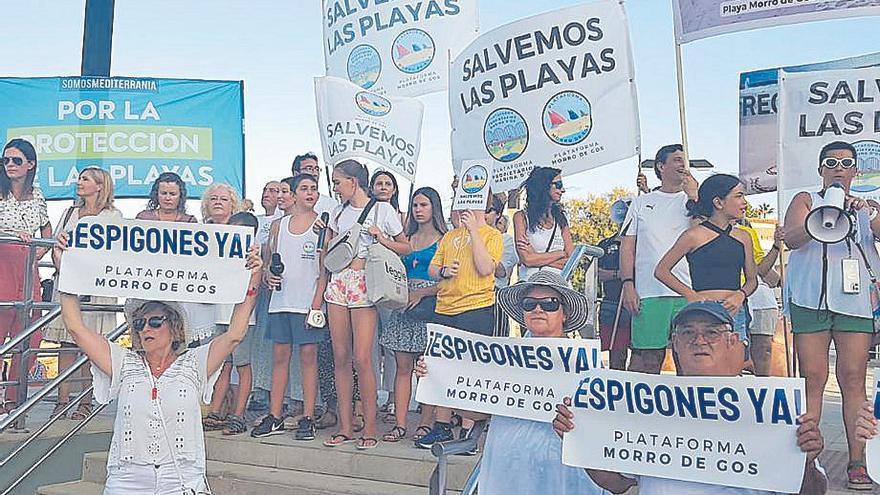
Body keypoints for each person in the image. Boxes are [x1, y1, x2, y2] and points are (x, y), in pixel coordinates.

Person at [553, 300, 828, 495]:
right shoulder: (646, 404)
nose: (699, 340)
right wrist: (580, 440)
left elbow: (813, 491)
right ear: (674, 345)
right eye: (688, 333)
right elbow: (617, 483)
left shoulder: (772, 409)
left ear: (733, 341)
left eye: (712, 333)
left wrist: (804, 463)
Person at [56, 243, 261, 494]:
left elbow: (235, 335)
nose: (146, 329)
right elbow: (76, 328)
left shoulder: (194, 363)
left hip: (181, 478)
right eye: (140, 324)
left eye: (155, 322)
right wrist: (66, 269)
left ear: (174, 327)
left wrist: (252, 278)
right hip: (127, 479)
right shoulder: (123, 363)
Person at [415, 271, 606, 494]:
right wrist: (436, 379)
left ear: (564, 313)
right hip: (508, 467)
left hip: (562, 472)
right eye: (529, 303)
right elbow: (477, 413)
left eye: (550, 304)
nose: (538, 309)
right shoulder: (501, 358)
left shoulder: (587, 364)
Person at [783, 141, 880, 490]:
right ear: (821, 169)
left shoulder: (868, 206)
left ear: (856, 171)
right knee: (812, 378)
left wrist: (865, 212)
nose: (838, 167)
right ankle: (806, 462)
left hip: (855, 303)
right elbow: (791, 239)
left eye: (846, 162)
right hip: (811, 298)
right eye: (831, 162)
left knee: (853, 379)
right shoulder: (806, 200)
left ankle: (858, 462)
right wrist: (821, 220)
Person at [322, 160, 410, 450]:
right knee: (340, 355)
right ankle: (345, 427)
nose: (335, 187)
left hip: (364, 281)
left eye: (338, 181)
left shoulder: (383, 209)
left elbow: (405, 246)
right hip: (338, 281)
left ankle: (369, 427)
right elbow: (328, 252)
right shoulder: (338, 212)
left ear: (353, 182)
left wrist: (381, 238)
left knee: (363, 357)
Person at [418, 196, 503, 449]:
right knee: (441, 368)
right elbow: (433, 268)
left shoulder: (492, 235)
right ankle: (442, 425)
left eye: (471, 206)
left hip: (476, 307)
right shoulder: (449, 236)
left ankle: (469, 429)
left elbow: (486, 267)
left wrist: (474, 231)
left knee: (471, 369)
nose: (463, 211)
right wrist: (444, 271)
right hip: (445, 307)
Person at [252, 175, 329, 441]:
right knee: (280, 358)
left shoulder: (321, 226)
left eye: (314, 188)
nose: (310, 193)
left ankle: (308, 416)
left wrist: (316, 305)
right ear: (293, 194)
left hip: (307, 302)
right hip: (281, 302)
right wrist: (267, 276)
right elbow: (267, 263)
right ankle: (275, 415)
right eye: (304, 188)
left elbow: (323, 272)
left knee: (308, 358)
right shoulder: (278, 226)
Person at [45, 167, 122, 420]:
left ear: (100, 186)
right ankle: (62, 400)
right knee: (66, 346)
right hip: (69, 285)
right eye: (79, 178)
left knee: (91, 347)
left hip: (98, 289)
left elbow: (116, 249)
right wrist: (61, 260)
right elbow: (55, 246)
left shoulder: (113, 215)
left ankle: (85, 402)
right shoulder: (69, 213)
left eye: (85, 179)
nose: (79, 182)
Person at [654, 174, 758, 358]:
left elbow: (752, 280)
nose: (744, 202)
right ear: (718, 202)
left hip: (735, 309)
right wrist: (691, 295)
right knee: (703, 365)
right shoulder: (693, 235)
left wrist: (740, 295)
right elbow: (662, 270)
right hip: (702, 311)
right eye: (739, 196)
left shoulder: (744, 237)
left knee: (734, 365)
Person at [620, 144, 698, 374]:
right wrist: (628, 284)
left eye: (684, 159)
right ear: (661, 167)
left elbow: (701, 237)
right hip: (650, 292)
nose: (682, 164)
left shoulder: (694, 201)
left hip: (687, 291)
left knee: (688, 361)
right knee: (646, 360)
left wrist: (694, 196)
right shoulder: (641, 203)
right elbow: (627, 248)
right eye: (676, 160)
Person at [379, 187, 446, 443]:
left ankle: (427, 422)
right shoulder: (405, 238)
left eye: (424, 205)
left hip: (430, 305)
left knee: (427, 368)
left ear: (434, 208)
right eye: (415, 205)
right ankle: (400, 422)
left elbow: (451, 280)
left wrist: (423, 292)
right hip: (402, 303)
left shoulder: (445, 239)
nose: (418, 210)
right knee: (402, 367)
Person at [0, 138, 51, 415]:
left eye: (16, 160)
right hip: (1, 265)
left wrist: (35, 253)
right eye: (6, 160)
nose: (9, 165)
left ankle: (13, 398)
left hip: (28, 269)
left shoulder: (38, 195)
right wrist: (10, 237)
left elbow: (47, 232)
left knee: (29, 336)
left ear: (30, 164)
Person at [203, 212, 260, 436]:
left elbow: (254, 282)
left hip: (243, 317)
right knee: (221, 364)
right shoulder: (221, 250)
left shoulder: (254, 254)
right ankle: (216, 411)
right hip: (220, 314)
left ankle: (239, 414)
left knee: (242, 365)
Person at [370, 169, 402, 422]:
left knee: (390, 343)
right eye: (378, 183)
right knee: (369, 345)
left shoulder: (396, 214)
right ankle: (370, 398)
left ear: (393, 189)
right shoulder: (361, 210)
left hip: (388, 282)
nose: (382, 187)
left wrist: (382, 239)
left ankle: (393, 397)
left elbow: (405, 246)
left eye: (387, 184)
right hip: (365, 283)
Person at [513, 167, 574, 280]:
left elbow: (571, 262)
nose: (563, 190)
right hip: (532, 284)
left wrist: (537, 257)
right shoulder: (521, 217)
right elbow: (527, 259)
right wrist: (559, 254)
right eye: (558, 184)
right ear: (544, 185)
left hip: (559, 285)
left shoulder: (561, 218)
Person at [739, 222, 783, 377]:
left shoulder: (747, 232)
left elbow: (761, 269)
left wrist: (776, 246)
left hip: (758, 296)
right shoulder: (703, 228)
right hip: (729, 296)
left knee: (763, 350)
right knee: (734, 352)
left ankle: (761, 388)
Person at [596, 200, 632, 370]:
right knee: (616, 353)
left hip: (639, 302)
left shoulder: (643, 245)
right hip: (612, 303)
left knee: (644, 355)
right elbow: (599, 274)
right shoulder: (605, 245)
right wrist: (623, 274)